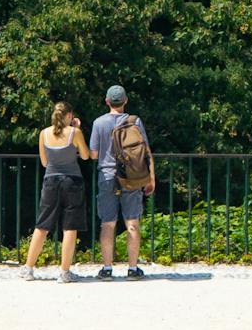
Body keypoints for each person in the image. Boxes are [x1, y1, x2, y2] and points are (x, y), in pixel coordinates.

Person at [87, 84, 154, 280]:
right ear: (125, 101)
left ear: (107, 101)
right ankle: (132, 269)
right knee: (132, 222)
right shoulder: (135, 121)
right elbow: (145, 151)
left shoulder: (99, 123)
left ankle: (107, 268)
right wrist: (150, 178)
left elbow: (93, 154)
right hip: (131, 176)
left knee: (108, 223)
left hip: (107, 175)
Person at [22, 102, 87, 282]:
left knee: (42, 225)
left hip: (50, 180)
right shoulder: (75, 133)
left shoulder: (43, 133)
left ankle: (28, 268)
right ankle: (65, 272)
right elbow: (85, 155)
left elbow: (44, 162)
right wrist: (76, 129)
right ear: (69, 116)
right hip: (72, 181)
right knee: (69, 227)